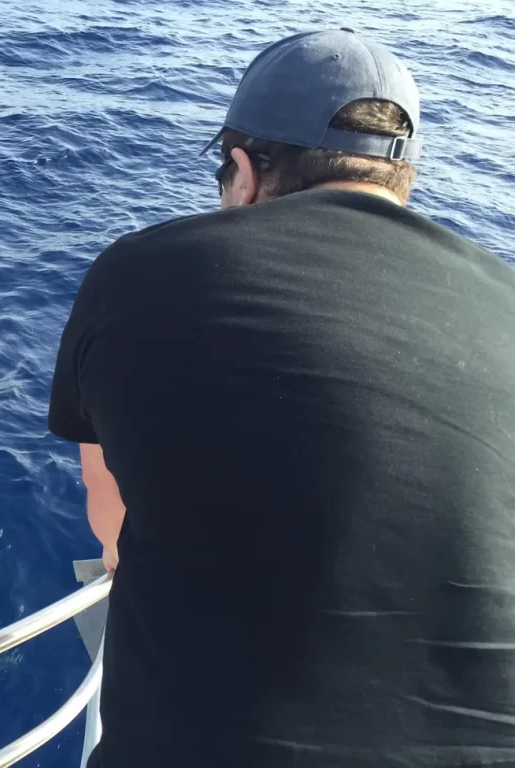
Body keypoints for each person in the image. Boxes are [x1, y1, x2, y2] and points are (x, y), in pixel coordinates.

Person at [49, 28, 515, 766]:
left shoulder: (139, 274)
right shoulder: (506, 300)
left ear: (243, 169)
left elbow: (113, 527)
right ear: (404, 181)